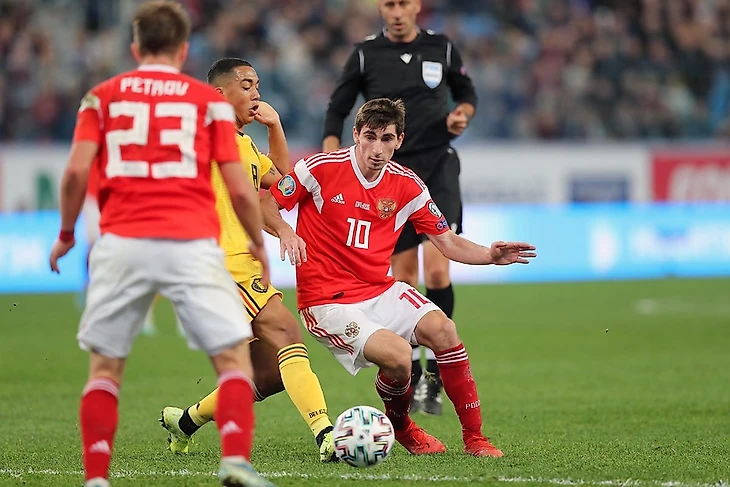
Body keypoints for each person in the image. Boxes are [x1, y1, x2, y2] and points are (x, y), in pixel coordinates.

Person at [48, 2, 274, 486]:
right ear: (183, 49)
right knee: (232, 358)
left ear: (135, 49)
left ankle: (96, 478)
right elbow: (239, 188)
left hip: (122, 239)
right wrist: (257, 242)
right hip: (190, 241)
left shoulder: (100, 98)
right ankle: (235, 460)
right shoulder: (207, 102)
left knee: (105, 368)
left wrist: (66, 235)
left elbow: (74, 173)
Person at [263, 98, 536, 457]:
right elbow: (266, 203)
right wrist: (285, 231)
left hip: (380, 290)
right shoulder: (319, 168)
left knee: (444, 330)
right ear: (356, 135)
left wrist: (489, 255)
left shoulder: (408, 185)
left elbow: (447, 242)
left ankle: (475, 438)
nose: (377, 149)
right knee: (399, 357)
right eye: (370, 137)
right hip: (327, 301)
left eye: (387, 139)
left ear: (399, 140)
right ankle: (403, 427)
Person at [160, 57, 337, 463]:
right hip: (220, 265)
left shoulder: (243, 144)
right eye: (246, 85)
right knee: (287, 331)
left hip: (241, 266)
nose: (256, 92)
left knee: (269, 374)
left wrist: (275, 127)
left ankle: (184, 421)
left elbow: (284, 183)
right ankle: (326, 434)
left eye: (257, 84)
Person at [322, 0, 477, 415]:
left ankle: (435, 378)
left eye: (403, 3)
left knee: (438, 269)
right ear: (381, 8)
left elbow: (466, 94)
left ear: (416, 6)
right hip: (389, 176)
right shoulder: (365, 53)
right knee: (403, 277)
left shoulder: (441, 47)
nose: (396, 11)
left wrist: (461, 114)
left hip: (437, 165)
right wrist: (332, 155)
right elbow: (337, 108)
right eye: (389, 4)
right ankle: (411, 371)